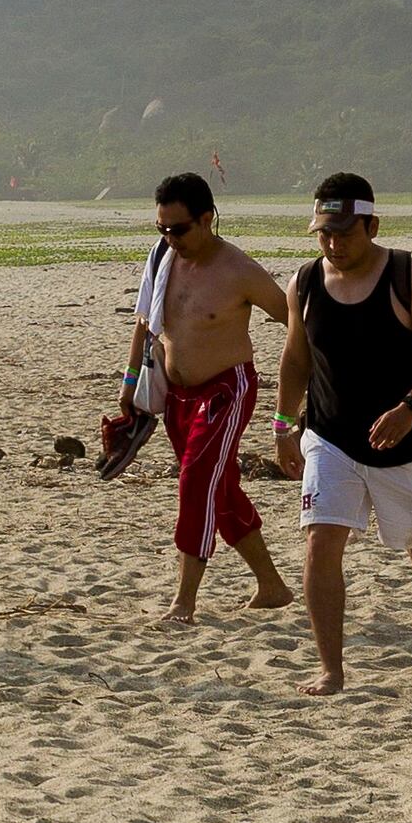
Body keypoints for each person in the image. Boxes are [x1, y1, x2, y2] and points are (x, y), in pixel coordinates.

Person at [269, 172, 412, 691]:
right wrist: (284, 424)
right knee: (319, 543)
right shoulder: (304, 283)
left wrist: (410, 408)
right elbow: (295, 358)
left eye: (345, 232)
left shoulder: (410, 276)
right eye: (324, 234)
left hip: (410, 444)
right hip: (331, 438)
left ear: (373, 225)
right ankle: (331, 668)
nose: (333, 244)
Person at [128, 173, 295, 625]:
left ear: (207, 219)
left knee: (197, 482)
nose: (169, 238)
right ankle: (273, 586)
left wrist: (298, 404)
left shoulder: (240, 271)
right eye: (161, 228)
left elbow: (296, 326)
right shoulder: (164, 257)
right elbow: (145, 323)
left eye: (178, 229)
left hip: (226, 390)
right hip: (177, 394)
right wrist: (130, 388)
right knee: (220, 490)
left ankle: (184, 601)